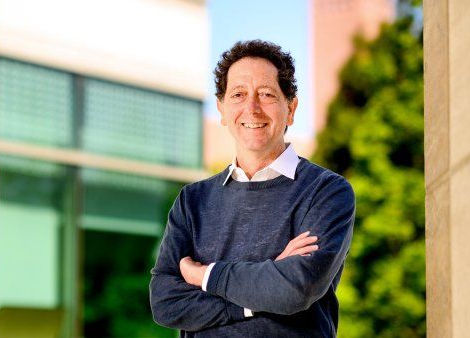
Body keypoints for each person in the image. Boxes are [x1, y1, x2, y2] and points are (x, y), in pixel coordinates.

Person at [149, 40, 355, 337]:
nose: (252, 108)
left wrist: (204, 275)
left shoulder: (326, 192)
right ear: (221, 109)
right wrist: (261, 286)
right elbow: (165, 302)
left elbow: (295, 289)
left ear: (291, 107)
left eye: (267, 94)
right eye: (238, 94)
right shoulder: (193, 200)